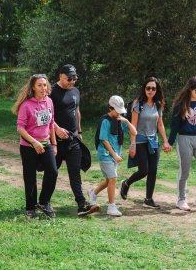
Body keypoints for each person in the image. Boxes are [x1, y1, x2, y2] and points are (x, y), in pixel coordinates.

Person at [50, 64, 100, 216]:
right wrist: (56, 129)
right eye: (69, 78)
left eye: (75, 78)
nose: (72, 81)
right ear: (60, 76)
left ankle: (82, 204)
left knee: (75, 173)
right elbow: (47, 114)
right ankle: (45, 202)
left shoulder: (76, 91)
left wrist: (79, 131)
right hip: (56, 142)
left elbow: (76, 111)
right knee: (52, 172)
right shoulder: (51, 92)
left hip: (73, 140)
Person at [120, 77, 172, 208]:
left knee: (153, 171)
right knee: (144, 170)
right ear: (144, 89)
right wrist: (132, 144)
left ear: (156, 90)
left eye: (153, 88)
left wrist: (165, 141)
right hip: (140, 141)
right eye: (148, 88)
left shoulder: (158, 104)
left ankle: (148, 199)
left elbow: (160, 125)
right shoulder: (138, 104)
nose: (150, 90)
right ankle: (126, 183)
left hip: (153, 141)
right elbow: (134, 125)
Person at [12, 74, 58, 219]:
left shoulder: (49, 102)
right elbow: (20, 128)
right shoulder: (26, 105)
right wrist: (34, 142)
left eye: (45, 85)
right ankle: (30, 208)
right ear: (33, 87)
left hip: (46, 143)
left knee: (53, 172)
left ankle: (44, 202)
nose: (43, 88)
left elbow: (51, 124)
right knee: (30, 177)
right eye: (39, 85)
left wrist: (54, 143)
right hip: (28, 146)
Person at [168, 76, 196, 213]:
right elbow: (174, 126)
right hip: (184, 139)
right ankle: (181, 200)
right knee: (185, 172)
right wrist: (169, 142)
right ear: (190, 90)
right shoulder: (180, 105)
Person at [88, 96, 136, 216]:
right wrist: (114, 155)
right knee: (113, 179)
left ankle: (93, 193)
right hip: (105, 154)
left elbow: (134, 132)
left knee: (109, 180)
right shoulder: (105, 121)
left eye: (121, 110)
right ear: (110, 108)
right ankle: (111, 207)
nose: (119, 113)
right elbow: (104, 140)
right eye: (117, 110)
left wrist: (127, 121)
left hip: (115, 155)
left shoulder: (120, 120)